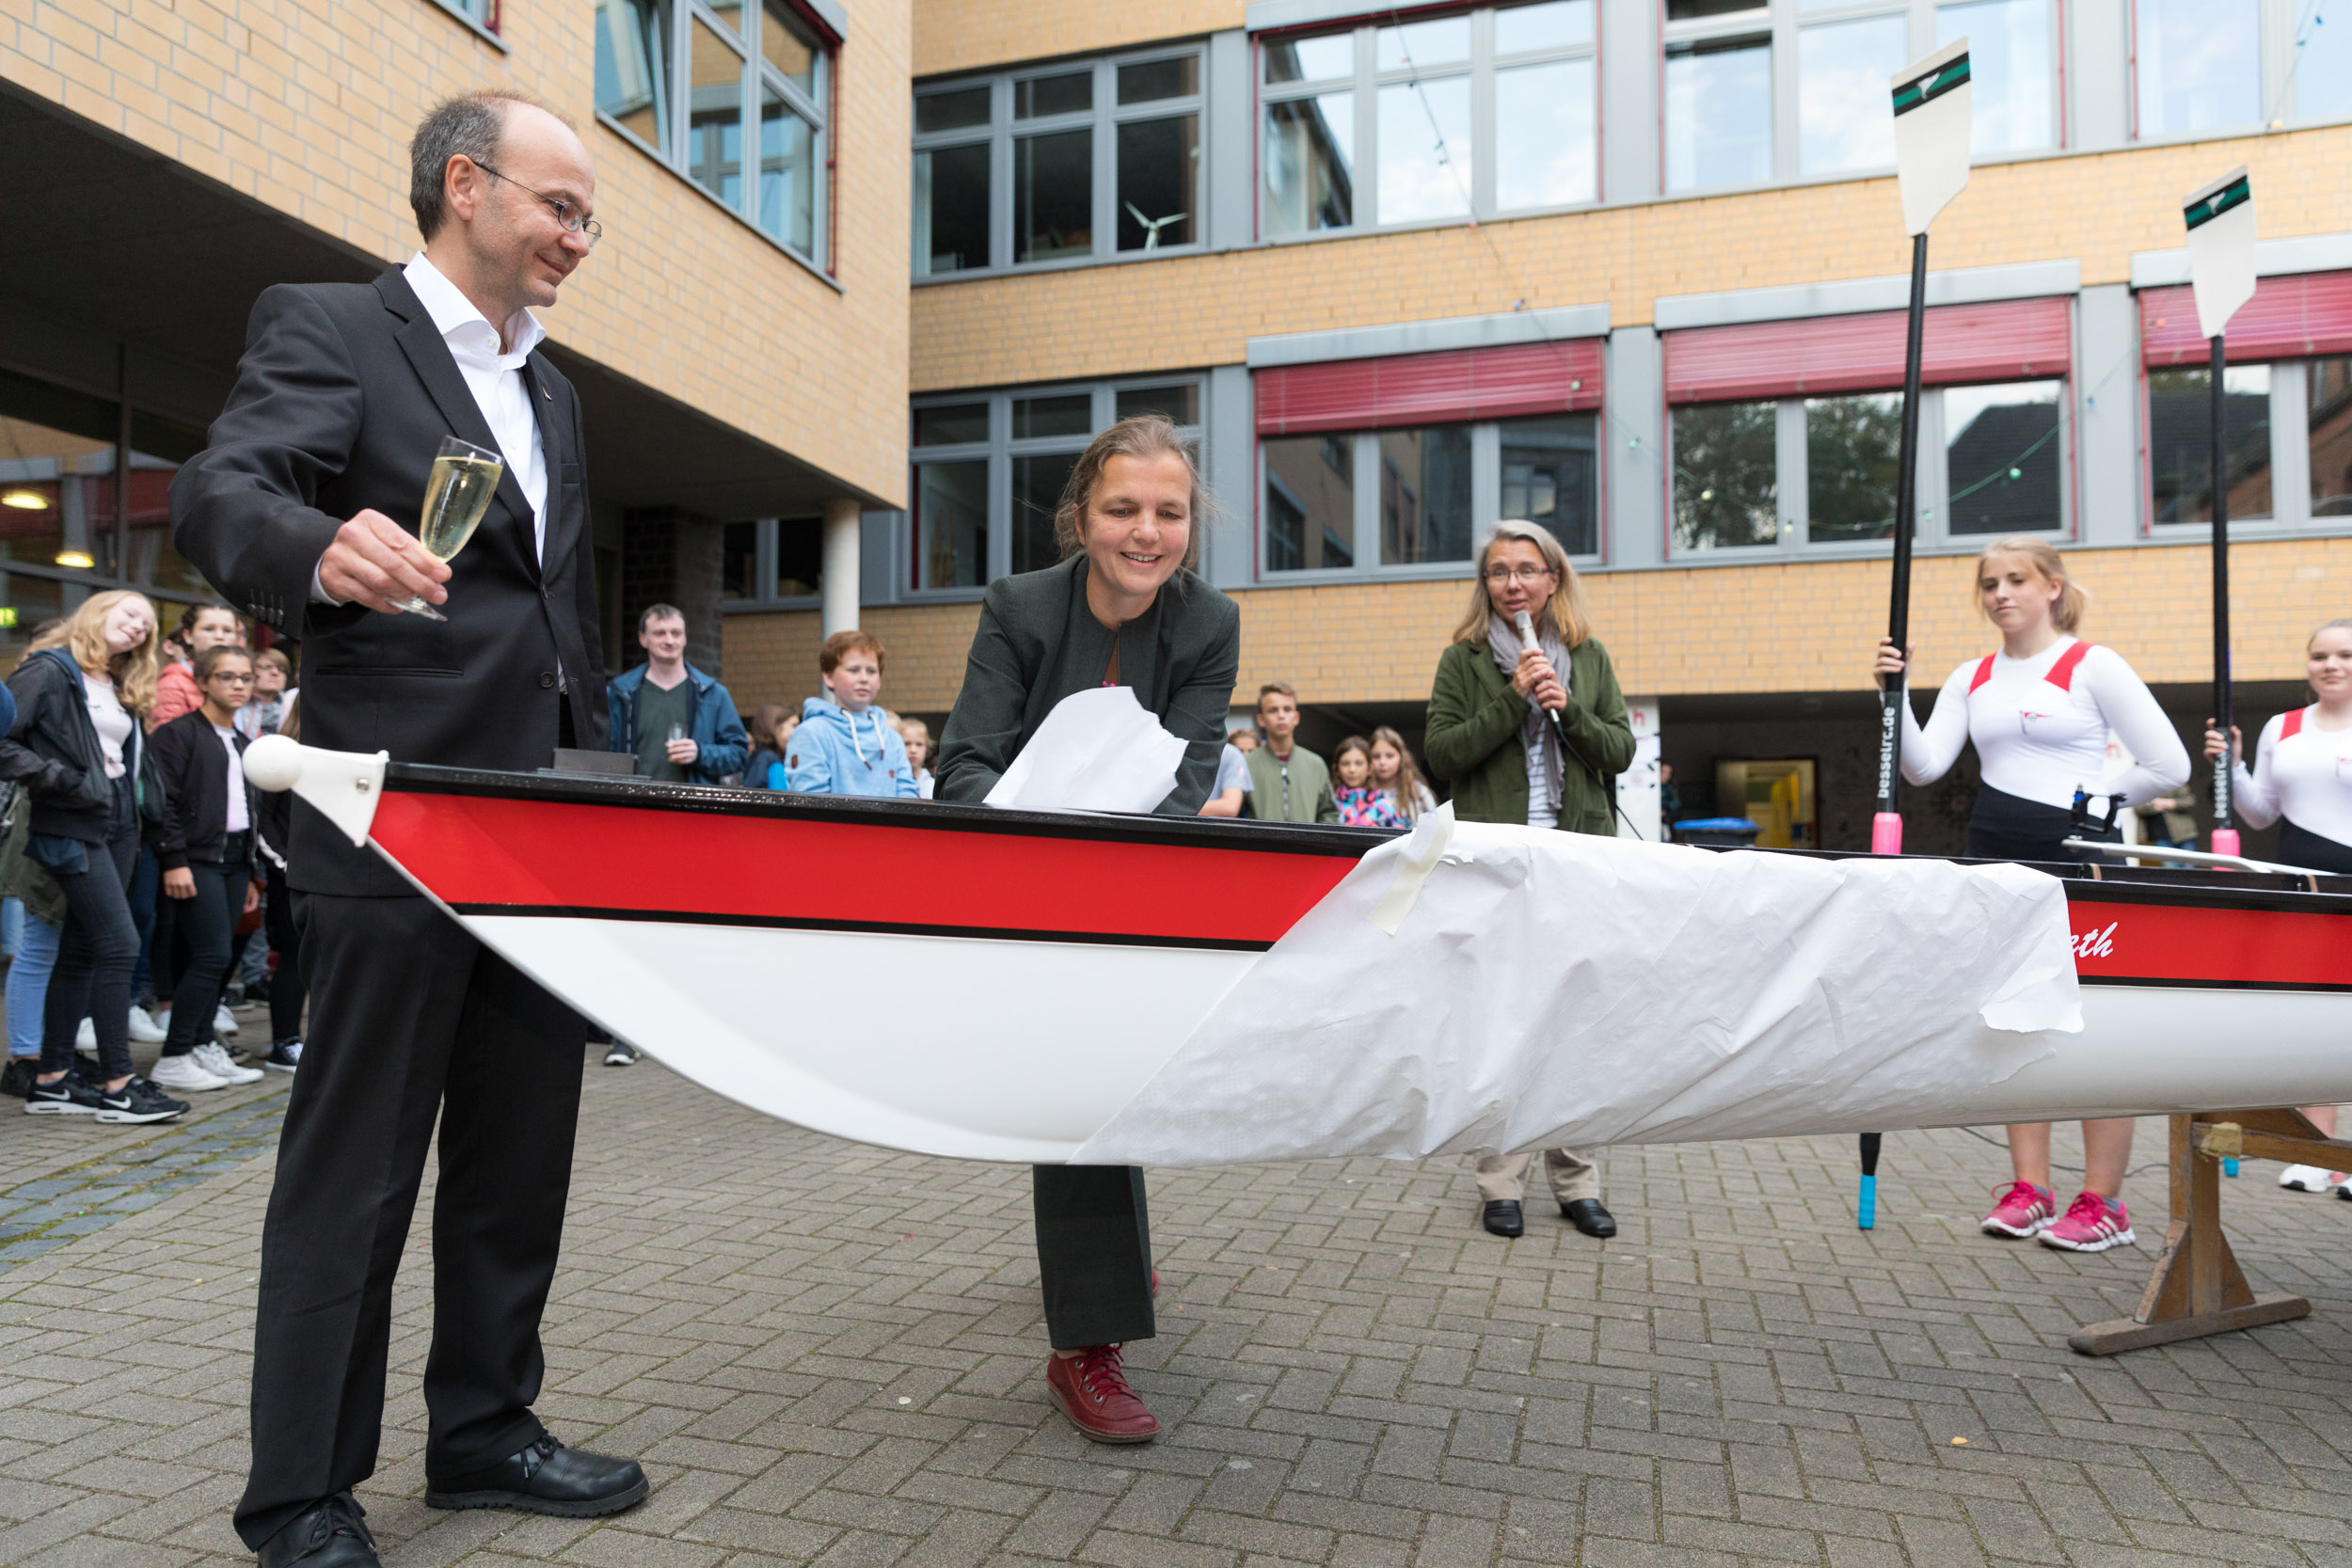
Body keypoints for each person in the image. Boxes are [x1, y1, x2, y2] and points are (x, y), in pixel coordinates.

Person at [171, 89, 642, 1567]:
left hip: (539, 817)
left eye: (589, 218)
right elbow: (218, 491)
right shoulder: (331, 325)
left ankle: (486, 1426)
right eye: (562, 207)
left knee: (520, 1144)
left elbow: (549, 606)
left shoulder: (552, 389)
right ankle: (301, 1488)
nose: (580, 237)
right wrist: (322, 547)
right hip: (390, 815)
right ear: (466, 185)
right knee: (359, 1159)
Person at [936, 414, 1239, 1446]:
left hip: (1136, 879)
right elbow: (966, 760)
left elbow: (1190, 773)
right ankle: (1088, 1344)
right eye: (1122, 508)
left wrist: (1116, 865)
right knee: (1077, 1097)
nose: (1145, 531)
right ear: (1081, 517)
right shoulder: (1020, 604)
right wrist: (1030, 848)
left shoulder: (1208, 622)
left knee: (1125, 1086)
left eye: (1168, 511)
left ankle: (1105, 1255)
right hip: (1021, 876)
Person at [1872, 535, 2189, 1254]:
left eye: (2016, 579)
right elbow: (1923, 767)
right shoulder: (1971, 675)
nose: (2000, 593)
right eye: (1989, 583)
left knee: (2094, 1021)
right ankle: (2031, 1188)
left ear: (2052, 587)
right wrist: (1896, 695)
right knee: (2014, 1016)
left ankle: (2105, 1200)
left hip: (2076, 855)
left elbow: (2166, 762)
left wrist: (2092, 800)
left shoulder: (2092, 663)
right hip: (1994, 853)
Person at [1426, 519, 1633, 1243]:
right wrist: (1514, 697)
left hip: (1577, 860)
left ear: (1552, 579)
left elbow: (1620, 749)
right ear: (1486, 586)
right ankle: (1499, 1183)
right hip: (1500, 862)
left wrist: (1565, 705)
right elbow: (1443, 752)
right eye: (1498, 571)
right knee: (1508, 1024)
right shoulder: (1466, 660)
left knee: (1575, 1026)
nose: (1512, 582)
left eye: (1526, 568)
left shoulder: (1588, 655)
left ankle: (1578, 1183)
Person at [0, 592, 185, 1125]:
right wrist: (59, 779)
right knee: (119, 945)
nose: (137, 628)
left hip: (118, 826)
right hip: (71, 823)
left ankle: (52, 1079)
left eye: (147, 626)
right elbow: (4, 742)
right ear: (96, 611)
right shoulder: (50, 670)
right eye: (129, 614)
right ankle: (119, 1085)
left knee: (82, 950)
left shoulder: (119, 685)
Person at [2205, 618, 2352, 1192]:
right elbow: (2260, 812)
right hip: (2301, 886)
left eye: (2345, 654)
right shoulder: (2281, 727)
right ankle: (2318, 1150)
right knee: (2316, 1012)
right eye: (2320, 655)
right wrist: (2233, 766)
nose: (2332, 665)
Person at [146, 645, 267, 1096]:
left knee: (221, 957)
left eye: (245, 678)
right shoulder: (177, 735)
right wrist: (174, 861)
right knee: (211, 955)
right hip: (196, 861)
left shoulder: (243, 743)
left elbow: (250, 811)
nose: (238, 685)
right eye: (226, 677)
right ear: (202, 683)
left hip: (236, 862)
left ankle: (200, 1044)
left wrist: (252, 873)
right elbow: (165, 805)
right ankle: (175, 1055)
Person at [605, 605, 748, 784]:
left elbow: (740, 755)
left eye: (676, 633)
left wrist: (700, 753)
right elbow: (602, 755)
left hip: (691, 807)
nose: (669, 640)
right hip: (633, 804)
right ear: (643, 639)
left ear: (685, 638)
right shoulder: (619, 693)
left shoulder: (714, 694)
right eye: (660, 633)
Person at [788, 631, 919, 798]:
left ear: (879, 680)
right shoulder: (810, 733)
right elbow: (811, 803)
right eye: (853, 670)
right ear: (829, 677)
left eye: (872, 671)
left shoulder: (892, 738)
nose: (864, 678)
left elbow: (908, 798)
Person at [251, 693, 305, 1074]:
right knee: (293, 957)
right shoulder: (279, 754)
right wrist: (286, 864)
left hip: (330, 877)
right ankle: (283, 1041)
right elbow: (262, 819)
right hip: (290, 876)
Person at [1243, 682, 1337, 823]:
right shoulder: (1247, 764)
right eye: (1273, 710)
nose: (1281, 715)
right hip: (1260, 845)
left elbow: (1329, 813)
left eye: (1287, 709)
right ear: (1261, 719)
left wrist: (1316, 841)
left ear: (1296, 717)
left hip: (1307, 845)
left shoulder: (1315, 764)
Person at [151, 602, 244, 727]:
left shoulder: (243, 681)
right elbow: (169, 741)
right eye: (209, 629)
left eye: (228, 630)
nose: (219, 636)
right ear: (188, 636)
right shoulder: (173, 681)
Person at [1330, 735, 1404, 828]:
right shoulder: (1330, 806)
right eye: (1345, 764)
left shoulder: (1384, 807)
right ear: (1336, 769)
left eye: (1359, 763)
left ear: (1370, 768)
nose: (1352, 769)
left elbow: (1401, 840)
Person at [1367, 726, 1435, 823]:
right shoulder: (1361, 794)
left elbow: (1435, 831)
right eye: (1376, 756)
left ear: (1402, 758)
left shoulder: (1419, 793)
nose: (1382, 762)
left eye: (1389, 756)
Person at [236, 646, 296, 738]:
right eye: (266, 667)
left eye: (281, 669)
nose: (275, 672)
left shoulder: (293, 703)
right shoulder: (237, 702)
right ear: (250, 672)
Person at [742, 702, 796, 790]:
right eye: (794, 725)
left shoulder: (761, 757)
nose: (797, 731)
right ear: (775, 726)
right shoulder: (769, 759)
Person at [1197, 735, 1252, 817]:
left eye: (1251, 751)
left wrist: (1176, 809)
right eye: (1241, 750)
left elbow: (1230, 807)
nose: (1246, 755)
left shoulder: (1230, 753)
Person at [898, 717, 937, 798]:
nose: (913, 750)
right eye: (906, 744)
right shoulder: (890, 782)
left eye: (919, 744)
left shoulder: (933, 786)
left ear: (927, 748)